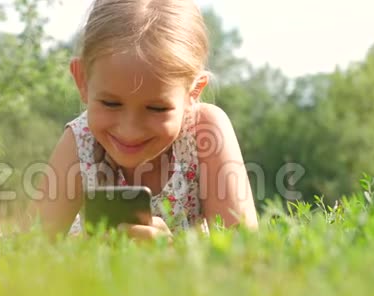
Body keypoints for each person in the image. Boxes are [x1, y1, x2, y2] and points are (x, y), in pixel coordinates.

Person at [19, 0, 258, 241]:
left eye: (156, 108)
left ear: (193, 94)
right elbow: (33, 246)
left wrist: (175, 252)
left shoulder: (205, 133)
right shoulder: (81, 140)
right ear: (82, 81)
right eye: (111, 104)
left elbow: (243, 249)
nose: (130, 130)